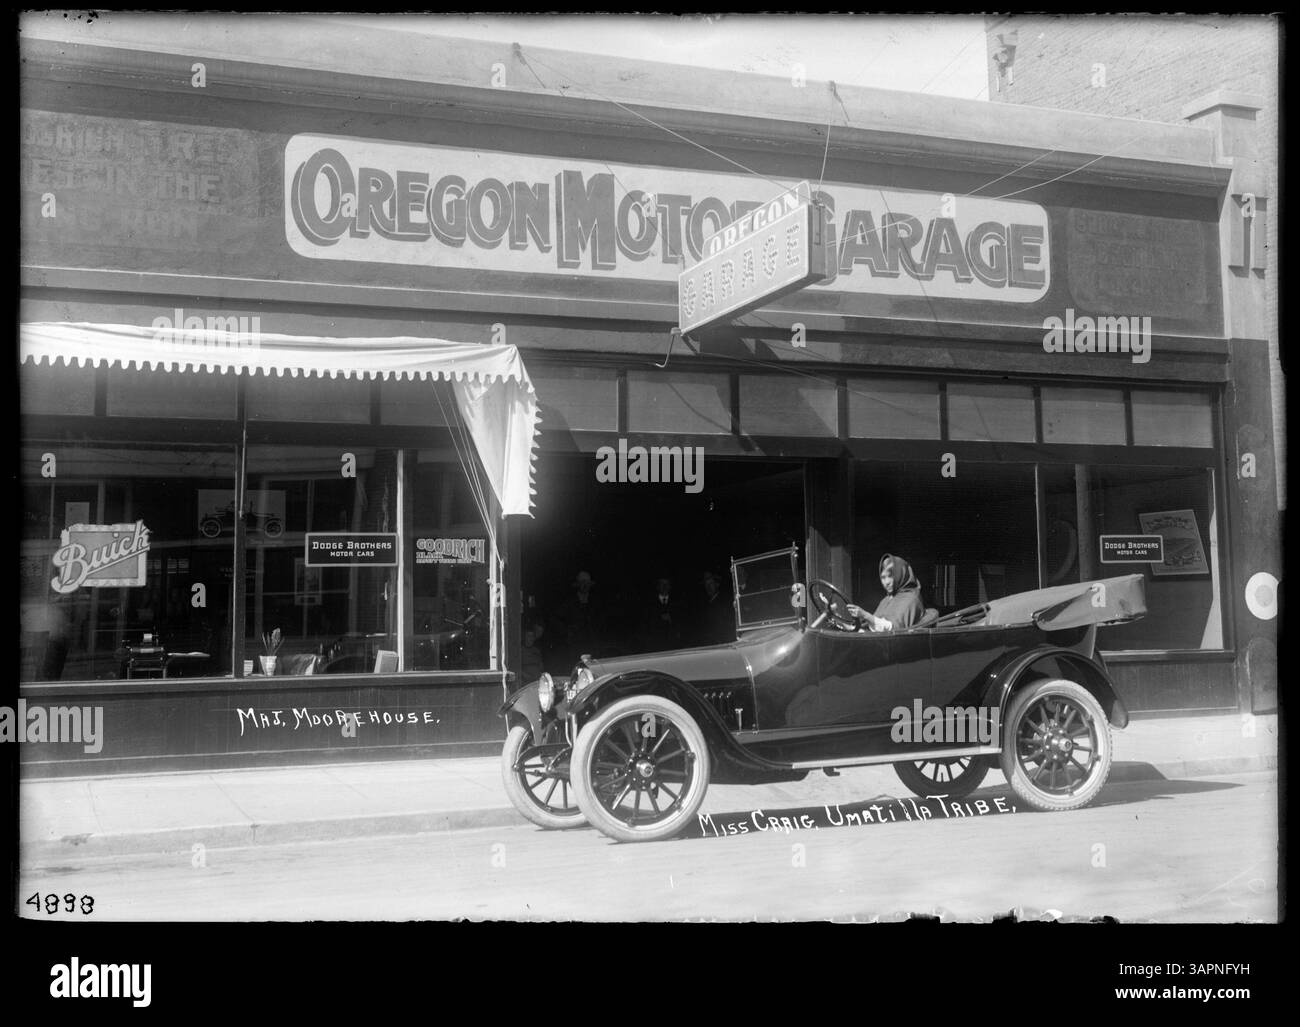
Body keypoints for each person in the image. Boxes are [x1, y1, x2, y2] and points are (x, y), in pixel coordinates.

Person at [847, 553, 924, 632]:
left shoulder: (911, 598)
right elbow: (873, 627)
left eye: (891, 576)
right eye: (883, 577)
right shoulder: (886, 600)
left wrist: (865, 615)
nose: (886, 582)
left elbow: (892, 628)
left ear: (901, 574)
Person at [638, 575, 683, 652]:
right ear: (658, 587)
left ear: (670, 587)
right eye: (662, 584)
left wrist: (671, 619)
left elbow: (682, 624)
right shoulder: (649, 605)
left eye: (667, 584)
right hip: (655, 647)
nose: (665, 587)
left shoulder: (677, 603)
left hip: (674, 646)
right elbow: (645, 625)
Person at [695, 569, 733, 645]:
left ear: (717, 584)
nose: (708, 587)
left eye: (710, 583)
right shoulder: (704, 605)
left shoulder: (725, 602)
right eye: (706, 584)